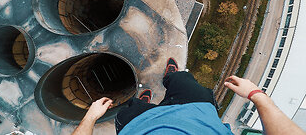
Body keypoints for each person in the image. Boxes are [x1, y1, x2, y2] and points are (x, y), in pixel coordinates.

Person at [72, 58, 306, 135]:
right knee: (184, 81)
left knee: (129, 110)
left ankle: (144, 105)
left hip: (139, 125)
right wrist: (256, 95)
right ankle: (172, 78)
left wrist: (90, 118)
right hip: (196, 111)